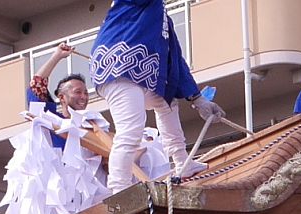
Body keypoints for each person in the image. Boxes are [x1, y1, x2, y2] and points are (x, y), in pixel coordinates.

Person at [92, 0, 224, 192]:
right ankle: (119, 187)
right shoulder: (135, 5)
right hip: (119, 67)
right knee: (130, 131)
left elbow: (175, 60)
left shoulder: (161, 18)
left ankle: (182, 161)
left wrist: (198, 98)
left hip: (139, 72)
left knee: (166, 101)